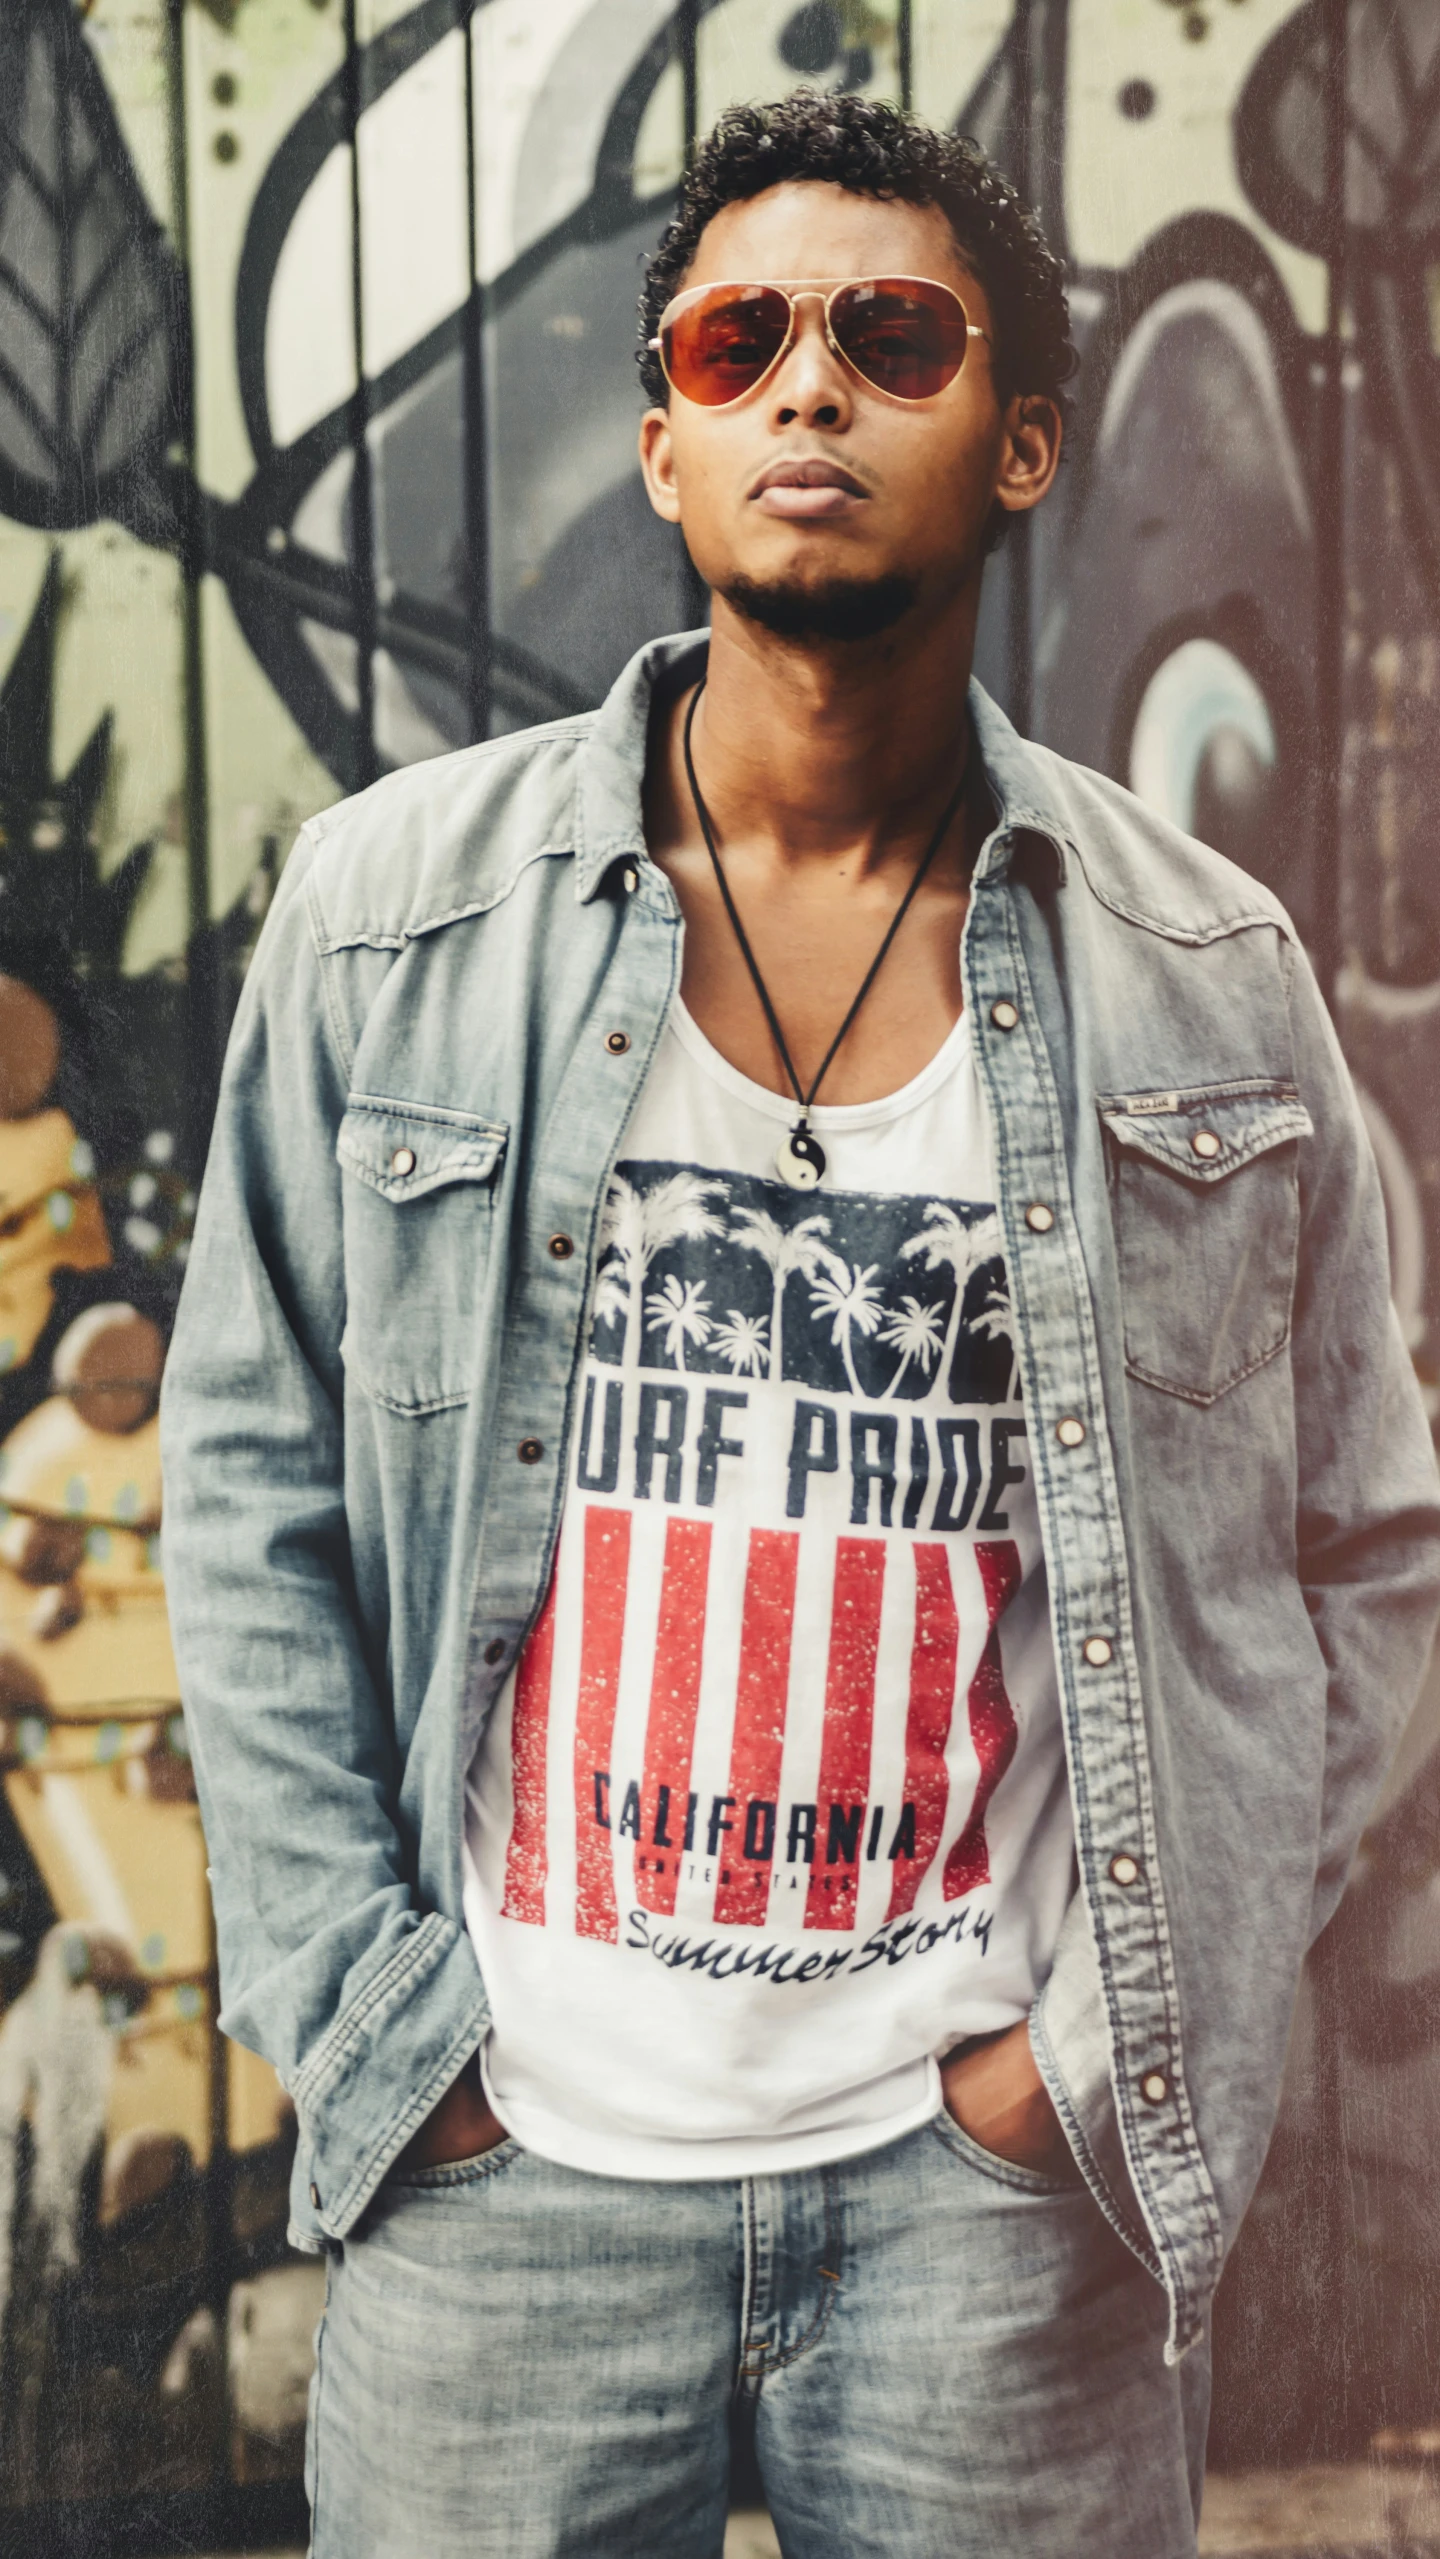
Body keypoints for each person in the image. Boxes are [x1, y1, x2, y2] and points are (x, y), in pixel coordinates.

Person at [160, 90, 1440, 2559]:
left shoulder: (1202, 975)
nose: (811, 391)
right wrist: (372, 2025)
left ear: (1027, 435)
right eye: (740, 341)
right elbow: (250, 1478)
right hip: (502, 2175)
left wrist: (1085, 2058)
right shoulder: (390, 916)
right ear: (662, 439)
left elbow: (1360, 1561)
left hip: (988, 2215)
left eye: (896, 332)